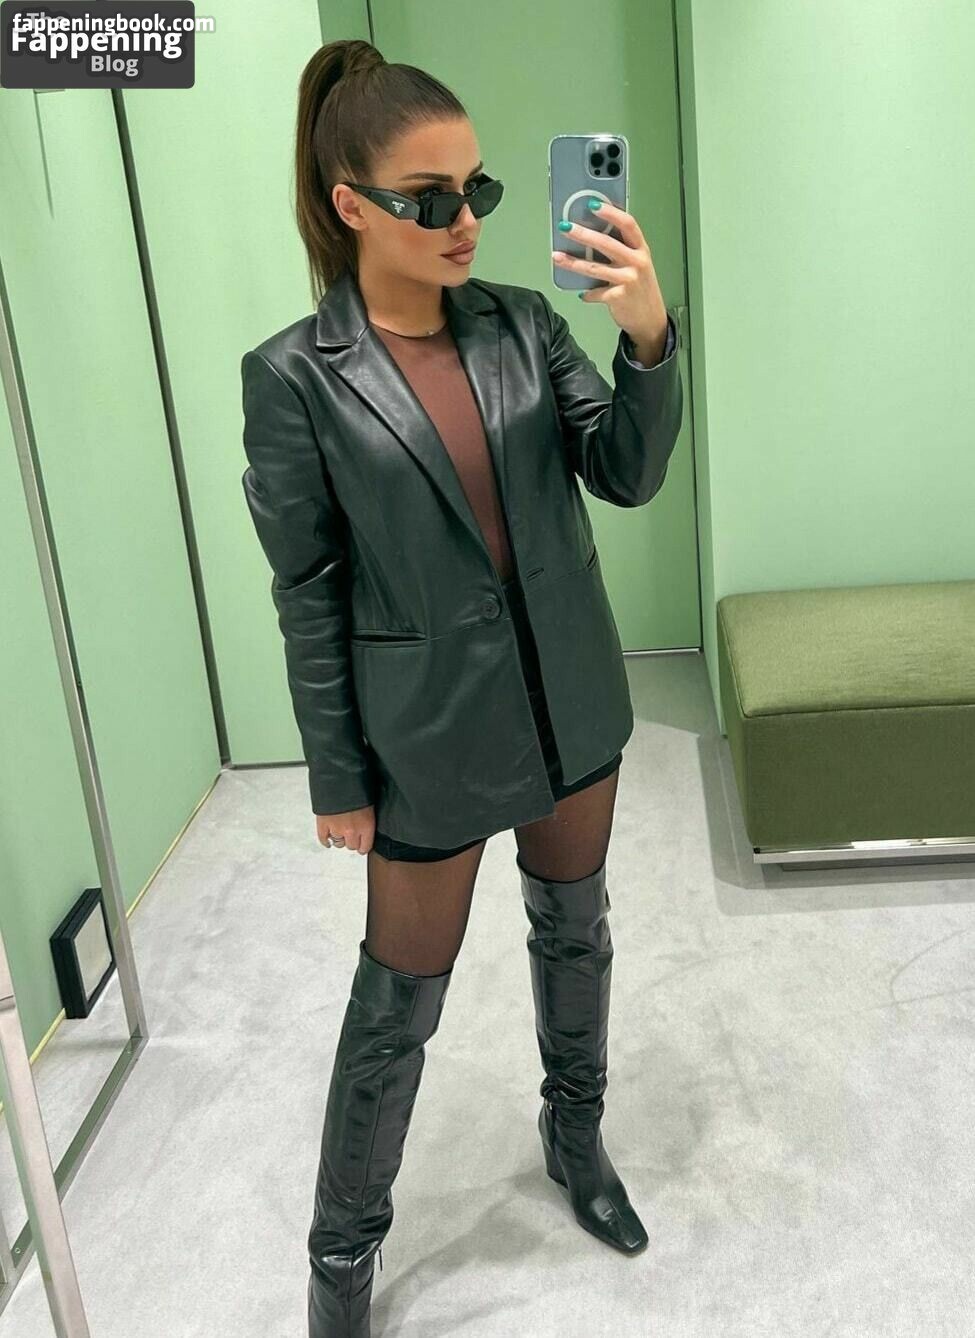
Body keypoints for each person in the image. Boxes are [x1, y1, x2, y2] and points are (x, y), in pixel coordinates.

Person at [240, 37, 682, 1338]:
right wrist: (337, 776)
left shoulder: (525, 324)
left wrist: (648, 336)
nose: (464, 221)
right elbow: (307, 590)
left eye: (476, 190)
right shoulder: (295, 377)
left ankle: (576, 1140)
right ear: (350, 204)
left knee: (575, 928)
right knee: (397, 1000)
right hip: (427, 736)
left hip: (571, 703)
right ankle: (341, 1255)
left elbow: (625, 473)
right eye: (429, 199)